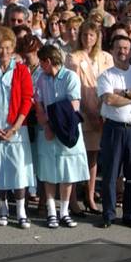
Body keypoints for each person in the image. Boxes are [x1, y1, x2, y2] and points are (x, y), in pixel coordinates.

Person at [95, 35, 131, 229]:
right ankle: (108, 214)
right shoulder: (105, 76)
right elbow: (109, 100)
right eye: (118, 48)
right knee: (110, 174)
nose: (122, 52)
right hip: (114, 128)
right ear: (112, 51)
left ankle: (130, 214)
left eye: (126, 48)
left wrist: (124, 93)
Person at [33, 45, 88, 229]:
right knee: (49, 172)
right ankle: (51, 212)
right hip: (48, 131)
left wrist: (53, 123)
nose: (40, 66)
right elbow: (39, 105)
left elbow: (72, 106)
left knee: (67, 173)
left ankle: (64, 212)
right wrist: (46, 125)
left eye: (42, 62)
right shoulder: (41, 78)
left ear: (48, 61)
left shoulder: (71, 77)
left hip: (67, 130)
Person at [0, 27, 36, 228]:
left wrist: (15, 127)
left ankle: (21, 210)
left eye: (7, 47)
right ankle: (4, 209)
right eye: (0, 48)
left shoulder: (22, 70)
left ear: (13, 47)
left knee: (18, 170)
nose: (4, 52)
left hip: (17, 128)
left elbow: (27, 99)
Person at [66, 20, 113, 214]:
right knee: (78, 156)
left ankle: (91, 196)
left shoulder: (105, 57)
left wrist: (102, 111)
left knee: (93, 156)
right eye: (85, 35)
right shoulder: (73, 57)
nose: (88, 38)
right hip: (82, 113)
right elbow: (74, 88)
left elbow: (109, 84)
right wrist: (90, 112)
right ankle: (73, 199)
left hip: (102, 112)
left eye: (92, 35)